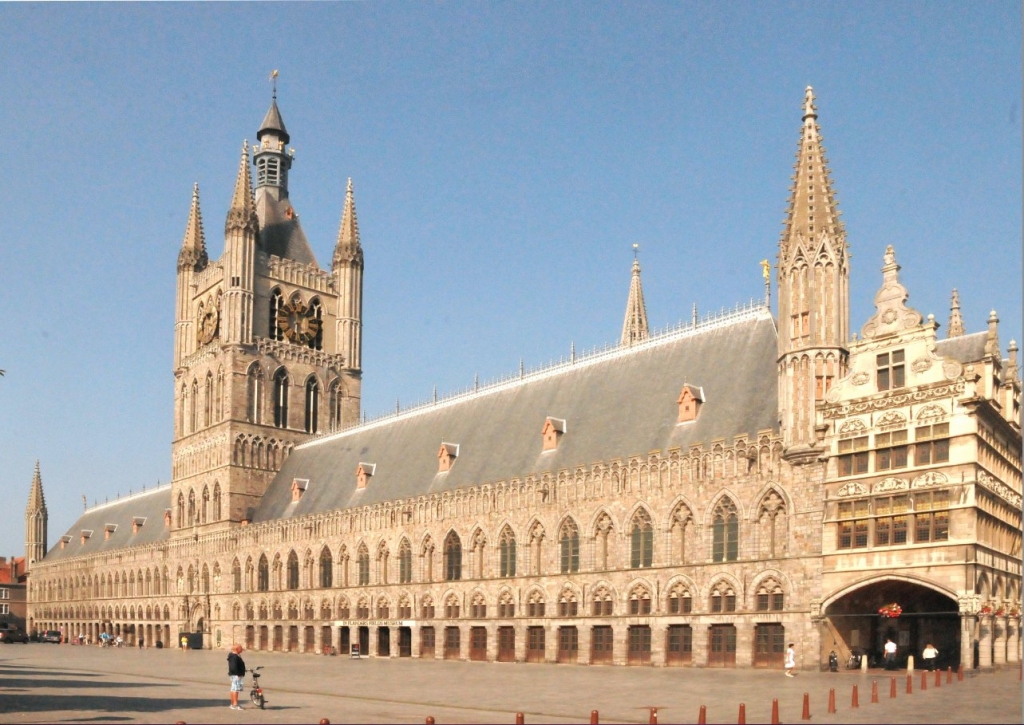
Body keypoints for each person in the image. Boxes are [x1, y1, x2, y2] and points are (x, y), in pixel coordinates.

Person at [227, 644, 246, 711]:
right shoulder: (234, 657)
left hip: (234, 675)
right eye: (241, 649)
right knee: (235, 689)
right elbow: (233, 666)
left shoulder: (234, 656)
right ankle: (235, 704)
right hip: (236, 675)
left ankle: (233, 704)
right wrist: (238, 674)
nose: (242, 650)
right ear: (237, 649)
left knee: (233, 689)